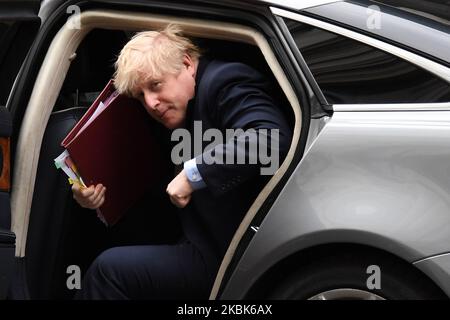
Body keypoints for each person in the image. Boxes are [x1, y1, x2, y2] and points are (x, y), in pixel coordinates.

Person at [72, 24, 292, 299]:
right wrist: (92, 196)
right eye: (141, 95)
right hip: (196, 236)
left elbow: (271, 139)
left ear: (187, 63)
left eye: (155, 85)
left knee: (108, 271)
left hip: (230, 255)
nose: (151, 103)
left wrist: (193, 174)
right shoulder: (177, 109)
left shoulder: (224, 80)